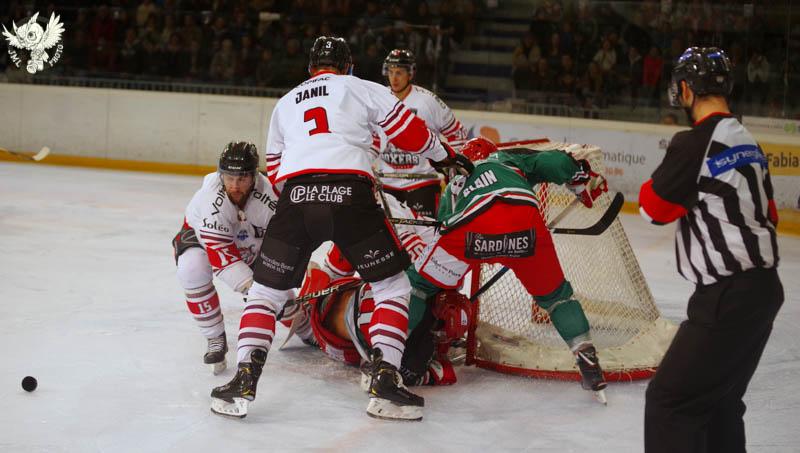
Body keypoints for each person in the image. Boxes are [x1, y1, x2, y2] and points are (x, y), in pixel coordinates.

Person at [210, 36, 471, 421]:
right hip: (351, 194)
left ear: (310, 69)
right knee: (392, 286)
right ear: (348, 66)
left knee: (266, 293)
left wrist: (301, 205)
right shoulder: (360, 87)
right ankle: (386, 383)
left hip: (297, 197)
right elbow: (409, 131)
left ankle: (242, 382)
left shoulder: (286, 102)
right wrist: (447, 157)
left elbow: (276, 170)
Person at [640, 47, 783, 453]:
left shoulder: (695, 142)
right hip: (764, 291)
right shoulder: (747, 141)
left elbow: (654, 208)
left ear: (685, 90)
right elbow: (769, 212)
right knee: (719, 404)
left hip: (727, 297)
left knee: (670, 402)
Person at [406, 137, 610, 401]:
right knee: (557, 298)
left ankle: (393, 350)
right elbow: (558, 162)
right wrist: (579, 179)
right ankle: (587, 358)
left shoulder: (453, 186)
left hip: (470, 232)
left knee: (419, 285)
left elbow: (445, 232)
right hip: (525, 225)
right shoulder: (505, 158)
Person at [172, 142, 278, 375]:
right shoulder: (210, 201)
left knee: (282, 300)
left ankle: (306, 328)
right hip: (203, 239)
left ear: (254, 176)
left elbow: (284, 244)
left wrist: (278, 286)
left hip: (253, 240)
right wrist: (254, 289)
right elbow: (222, 255)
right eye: (229, 178)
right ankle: (214, 338)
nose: (235, 185)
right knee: (191, 269)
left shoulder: (270, 198)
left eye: (242, 178)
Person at [373, 49, 468, 218]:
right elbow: (369, 136)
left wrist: (452, 167)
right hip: (386, 184)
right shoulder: (379, 97)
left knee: (426, 232)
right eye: (391, 72)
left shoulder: (428, 101)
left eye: (399, 73)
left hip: (422, 183)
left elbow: (457, 133)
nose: (394, 78)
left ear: (410, 74)